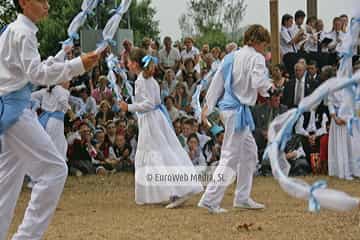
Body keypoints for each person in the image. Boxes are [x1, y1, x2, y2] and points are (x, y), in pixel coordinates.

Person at [0, 0, 99, 239]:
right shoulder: (23, 33)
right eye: (41, 0)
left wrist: (63, 60)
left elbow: (30, 71)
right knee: (54, 170)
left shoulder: (13, 30)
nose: (47, 5)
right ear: (24, 2)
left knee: (7, 181)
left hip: (11, 108)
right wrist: (77, 65)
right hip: (16, 111)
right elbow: (38, 75)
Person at [198, 25, 273, 214]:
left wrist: (207, 107)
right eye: (265, 44)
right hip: (236, 111)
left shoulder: (231, 56)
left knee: (250, 153)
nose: (266, 48)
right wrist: (271, 88)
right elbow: (259, 84)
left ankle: (242, 197)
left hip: (230, 110)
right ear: (257, 42)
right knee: (229, 157)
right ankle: (209, 199)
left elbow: (217, 82)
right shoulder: (257, 58)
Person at [119, 48, 203, 208]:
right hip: (156, 119)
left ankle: (175, 193)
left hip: (151, 121)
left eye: (129, 62)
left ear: (135, 64)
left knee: (156, 155)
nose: (127, 64)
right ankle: (175, 189)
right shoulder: (149, 79)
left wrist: (128, 107)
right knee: (164, 152)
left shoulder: (141, 81)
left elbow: (149, 104)